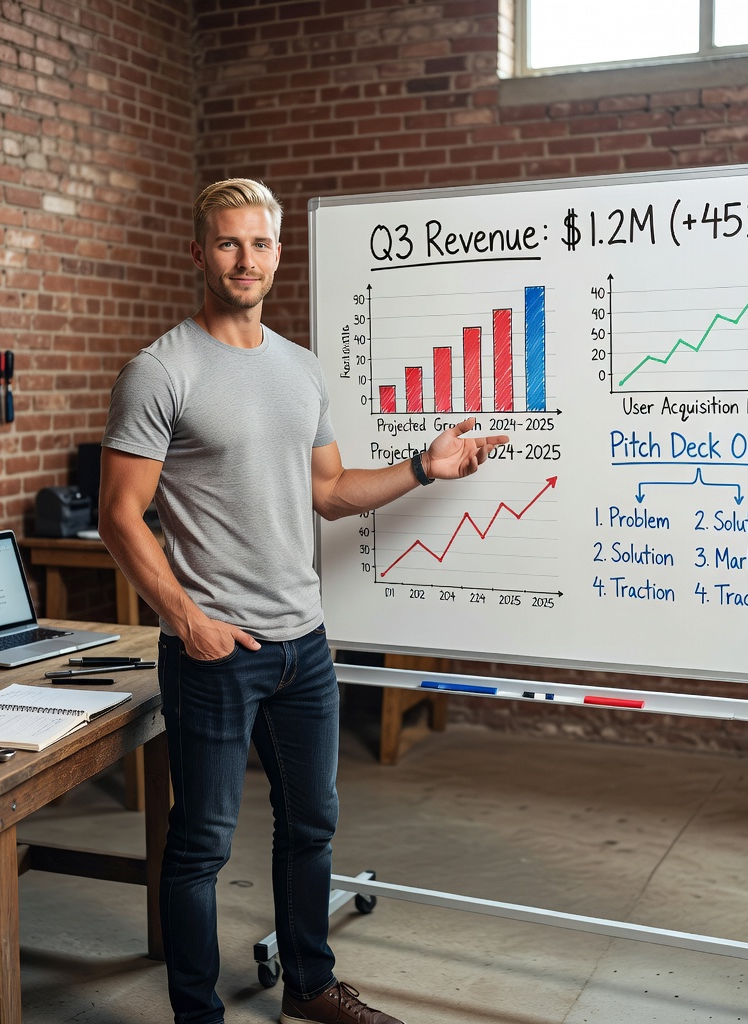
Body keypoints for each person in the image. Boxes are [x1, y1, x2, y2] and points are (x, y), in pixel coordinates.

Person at [98, 178, 508, 1024]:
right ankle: (196, 1015)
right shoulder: (160, 370)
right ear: (199, 252)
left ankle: (310, 989)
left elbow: (328, 490)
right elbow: (118, 516)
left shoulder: (300, 368)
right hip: (217, 651)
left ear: (279, 253)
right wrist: (189, 622)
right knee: (201, 846)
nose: (245, 260)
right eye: (227, 244)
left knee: (312, 827)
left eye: (260, 244)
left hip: (305, 646)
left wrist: (424, 467)